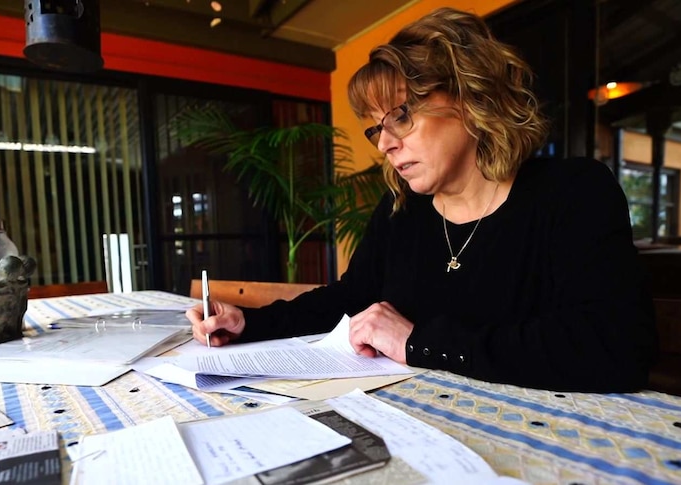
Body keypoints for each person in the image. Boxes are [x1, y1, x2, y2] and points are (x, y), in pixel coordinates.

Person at [187, 7, 657, 392]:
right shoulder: (402, 212)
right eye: (376, 128)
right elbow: (347, 301)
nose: (384, 144)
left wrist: (420, 342)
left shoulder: (573, 193)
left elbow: (613, 349)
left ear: (472, 97)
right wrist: (249, 323)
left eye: (401, 116)